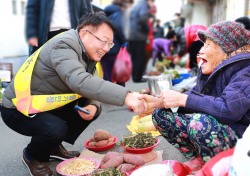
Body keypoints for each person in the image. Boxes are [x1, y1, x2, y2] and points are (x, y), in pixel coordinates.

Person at [1, 12, 147, 176]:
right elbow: (79, 81)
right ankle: (32, 155)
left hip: (44, 102)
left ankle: (53, 146)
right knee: (55, 128)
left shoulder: (87, 53)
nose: (106, 49)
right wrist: (127, 96)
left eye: (110, 44)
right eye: (104, 41)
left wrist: (93, 105)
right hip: (17, 108)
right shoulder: (64, 45)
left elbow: (90, 85)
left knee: (89, 108)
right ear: (84, 33)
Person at [139, 21, 250, 173]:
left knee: (200, 123)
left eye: (208, 45)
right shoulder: (216, 68)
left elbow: (229, 109)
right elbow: (196, 95)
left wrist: (181, 99)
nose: (201, 51)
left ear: (226, 49)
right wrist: (160, 102)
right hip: (222, 131)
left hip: (243, 142)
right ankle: (199, 159)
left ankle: (221, 168)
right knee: (161, 114)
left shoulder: (246, 70)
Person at [25, 0, 93, 55]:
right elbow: (32, 9)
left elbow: (84, 12)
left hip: (72, 34)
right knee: (48, 67)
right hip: (48, 35)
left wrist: (86, 34)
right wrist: (31, 34)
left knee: (69, 65)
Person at [101, 0, 126, 86]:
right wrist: (124, 41)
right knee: (120, 73)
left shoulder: (107, 15)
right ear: (122, 7)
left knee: (107, 74)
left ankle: (108, 94)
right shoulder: (119, 14)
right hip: (115, 48)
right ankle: (122, 94)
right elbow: (120, 27)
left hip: (103, 47)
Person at [126, 0, 150, 82]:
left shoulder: (137, 5)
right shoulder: (143, 4)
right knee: (139, 58)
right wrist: (147, 29)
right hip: (138, 36)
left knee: (134, 58)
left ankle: (135, 76)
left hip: (131, 35)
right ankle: (137, 78)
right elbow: (143, 18)